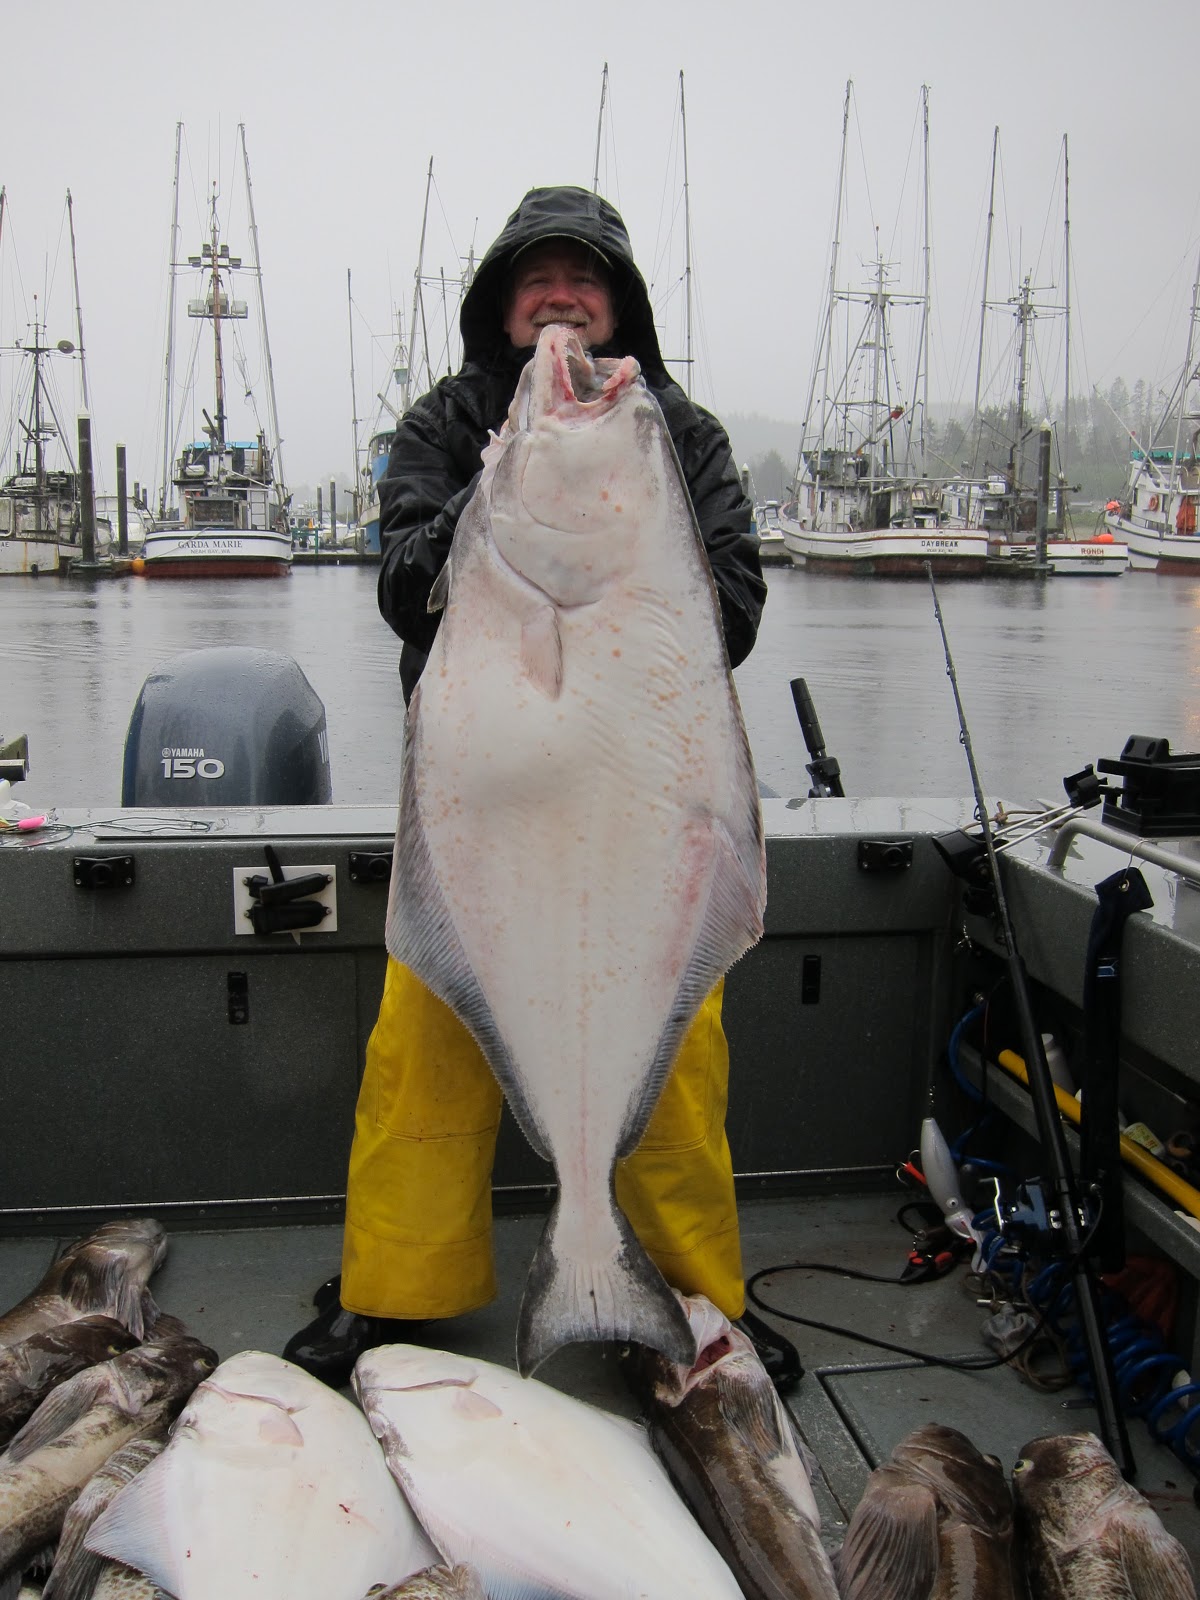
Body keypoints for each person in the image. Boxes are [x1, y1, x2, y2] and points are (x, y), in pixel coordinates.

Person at [283, 185, 795, 1389]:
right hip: (487, 823)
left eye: (585, 278)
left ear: (620, 304)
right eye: (535, 278)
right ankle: (392, 1295)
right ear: (500, 303)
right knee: (422, 1045)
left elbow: (737, 607)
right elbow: (408, 582)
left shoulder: (682, 431)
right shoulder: (452, 423)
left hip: (640, 820)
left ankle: (694, 1299)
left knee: (677, 1063)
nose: (560, 297)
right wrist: (500, 480)